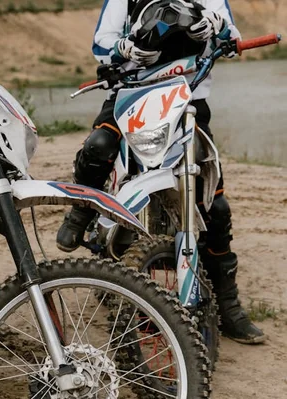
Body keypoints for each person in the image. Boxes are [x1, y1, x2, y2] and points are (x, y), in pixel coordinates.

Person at [56, 0, 266, 345]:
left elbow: (233, 38)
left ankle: (228, 305)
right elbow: (101, 44)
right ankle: (82, 210)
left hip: (188, 98)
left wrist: (216, 25)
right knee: (98, 146)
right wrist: (125, 48)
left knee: (215, 205)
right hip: (132, 93)